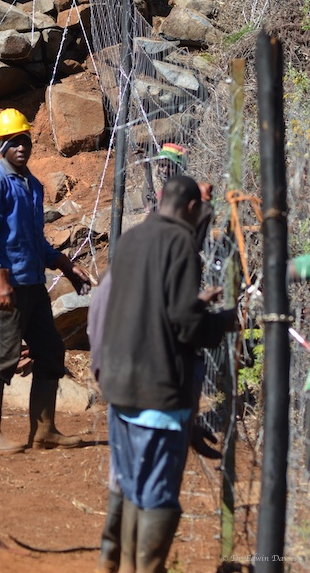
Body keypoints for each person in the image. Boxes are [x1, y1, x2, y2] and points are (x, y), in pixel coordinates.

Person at [99, 176, 236, 572]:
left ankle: (122, 565)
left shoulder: (131, 240)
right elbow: (184, 323)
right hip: (157, 393)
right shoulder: (181, 247)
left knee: (129, 488)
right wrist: (223, 322)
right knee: (157, 493)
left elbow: (152, 302)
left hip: (120, 389)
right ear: (192, 209)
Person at [0, 108, 91, 455]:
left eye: (25, 139)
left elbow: (34, 239)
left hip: (33, 283)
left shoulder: (32, 186)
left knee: (50, 351)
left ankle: (44, 431)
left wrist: (65, 266)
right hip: (9, 285)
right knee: (2, 356)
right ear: (1, 146)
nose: (21, 146)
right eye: (13, 141)